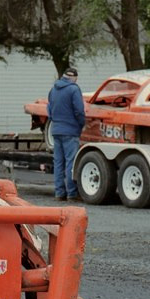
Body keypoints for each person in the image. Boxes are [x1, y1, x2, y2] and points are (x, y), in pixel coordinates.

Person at [47, 66, 86, 201]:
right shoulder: (74, 89)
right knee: (71, 162)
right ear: (74, 77)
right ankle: (72, 193)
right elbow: (79, 111)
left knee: (58, 162)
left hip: (56, 130)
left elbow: (49, 111)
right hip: (70, 130)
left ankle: (59, 193)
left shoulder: (53, 90)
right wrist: (81, 124)